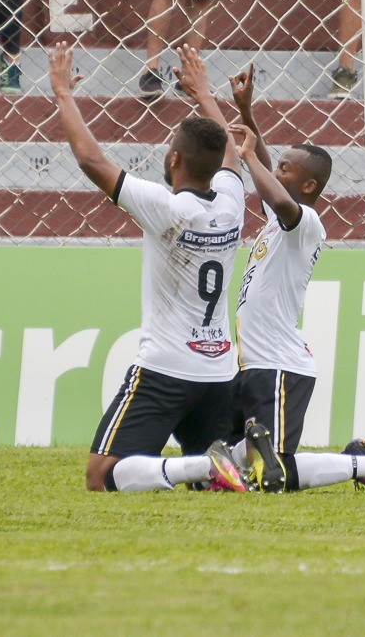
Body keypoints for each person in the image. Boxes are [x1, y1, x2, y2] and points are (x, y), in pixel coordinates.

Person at [50, 41, 249, 493]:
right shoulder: (232, 203)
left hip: (166, 369)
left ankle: (202, 467)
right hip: (219, 373)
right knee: (219, 485)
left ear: (175, 159)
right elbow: (231, 155)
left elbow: (91, 161)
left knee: (101, 476)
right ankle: (224, 459)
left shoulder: (166, 207)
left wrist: (63, 94)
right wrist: (203, 93)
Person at [223, 62, 365, 495]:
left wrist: (245, 157)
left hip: (279, 365)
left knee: (269, 475)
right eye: (277, 167)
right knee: (237, 469)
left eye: (286, 169)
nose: (276, 173)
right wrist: (248, 112)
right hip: (256, 364)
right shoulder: (279, 224)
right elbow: (268, 181)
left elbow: (274, 195)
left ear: (310, 185)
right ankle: (359, 460)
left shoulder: (306, 224)